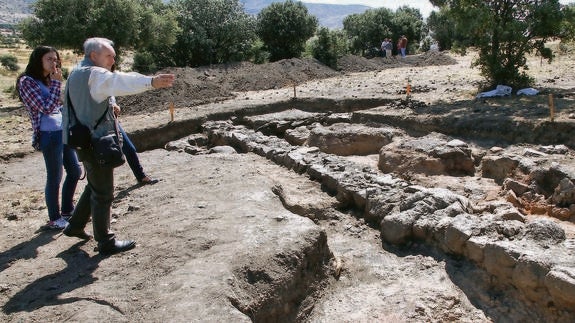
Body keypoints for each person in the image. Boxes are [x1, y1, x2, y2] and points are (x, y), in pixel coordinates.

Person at [62, 37, 175, 255]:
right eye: (109, 55)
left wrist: (111, 103)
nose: (113, 60)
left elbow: (101, 92)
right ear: (93, 55)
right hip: (96, 141)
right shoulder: (95, 73)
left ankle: (75, 225)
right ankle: (105, 241)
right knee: (104, 193)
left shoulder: (77, 72)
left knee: (95, 185)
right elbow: (120, 82)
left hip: (81, 137)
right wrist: (151, 81)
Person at [16, 46, 82, 230]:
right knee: (55, 176)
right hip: (48, 134)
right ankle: (54, 217)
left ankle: (68, 210)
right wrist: (55, 84)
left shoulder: (50, 80)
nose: (54, 63)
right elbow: (45, 107)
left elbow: (60, 104)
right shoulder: (26, 82)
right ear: (38, 60)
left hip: (63, 129)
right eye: (49, 59)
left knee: (75, 171)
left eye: (56, 59)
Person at [109, 96, 158, 185]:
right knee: (106, 156)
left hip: (112, 121)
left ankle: (141, 177)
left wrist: (115, 105)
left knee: (129, 149)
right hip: (101, 125)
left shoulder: (108, 84)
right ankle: (104, 187)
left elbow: (111, 100)